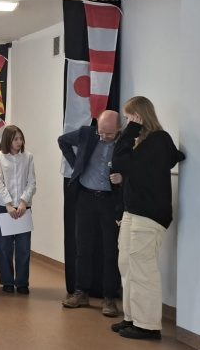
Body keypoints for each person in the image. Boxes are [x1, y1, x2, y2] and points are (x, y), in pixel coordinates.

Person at [110, 96, 184, 340]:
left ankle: (148, 325)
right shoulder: (142, 143)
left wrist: (131, 129)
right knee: (127, 265)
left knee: (143, 269)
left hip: (148, 215)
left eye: (129, 117)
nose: (127, 122)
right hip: (133, 211)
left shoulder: (158, 140)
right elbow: (129, 169)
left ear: (139, 116)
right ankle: (132, 317)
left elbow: (118, 160)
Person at [59, 110, 122, 316]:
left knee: (110, 250)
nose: (104, 136)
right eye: (101, 132)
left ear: (119, 129)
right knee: (83, 247)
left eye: (109, 134)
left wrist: (122, 177)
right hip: (85, 198)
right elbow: (62, 141)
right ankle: (80, 292)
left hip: (110, 201)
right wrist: (76, 164)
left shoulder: (125, 143)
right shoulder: (87, 133)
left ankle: (109, 297)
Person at [0, 125, 36, 295]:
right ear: (8, 140)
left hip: (24, 207)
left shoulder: (28, 157)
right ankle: (7, 281)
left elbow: (31, 182)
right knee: (5, 247)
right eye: (15, 139)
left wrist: (24, 202)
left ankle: (22, 282)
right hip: (5, 207)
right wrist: (8, 204)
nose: (19, 142)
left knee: (23, 247)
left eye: (21, 138)